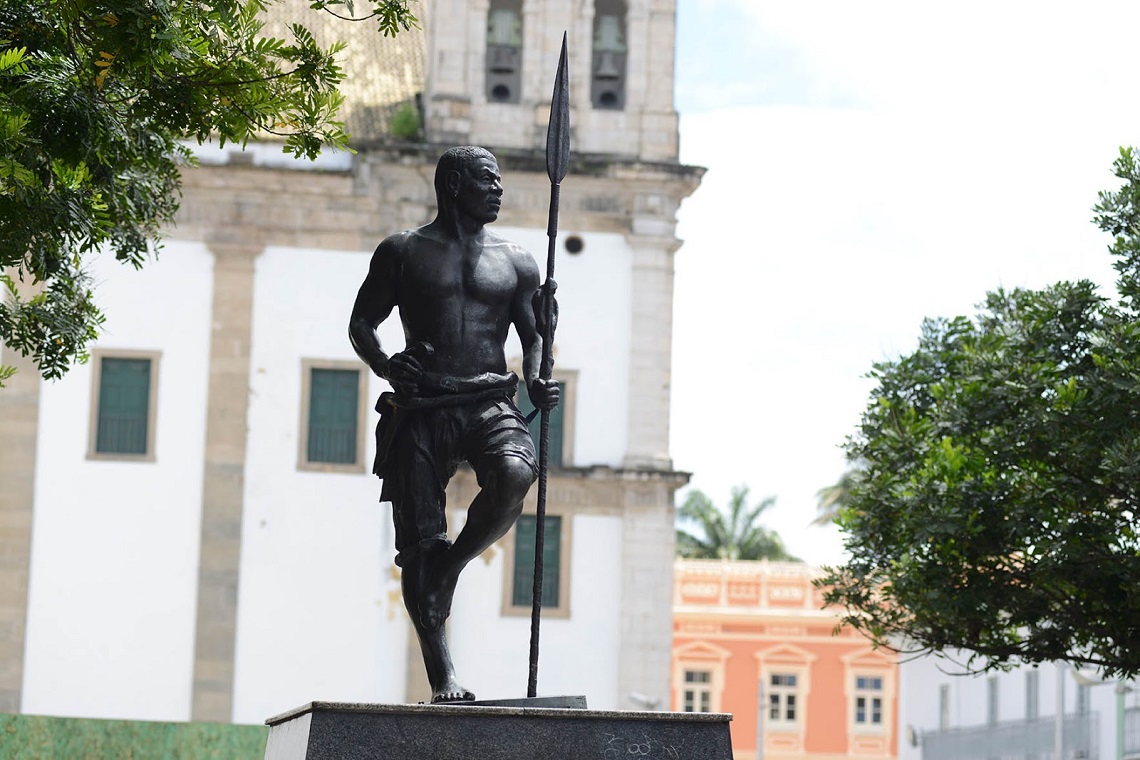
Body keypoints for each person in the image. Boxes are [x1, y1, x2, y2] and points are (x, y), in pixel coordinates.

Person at [348, 146, 559, 704]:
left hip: (491, 399)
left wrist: (536, 380)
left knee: (516, 474)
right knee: (419, 542)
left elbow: (534, 336)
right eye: (488, 181)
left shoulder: (517, 261)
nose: (498, 191)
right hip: (423, 405)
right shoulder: (403, 252)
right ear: (455, 184)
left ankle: (453, 567)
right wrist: (387, 364)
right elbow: (362, 322)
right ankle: (443, 676)